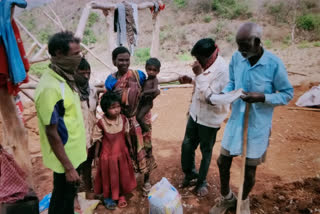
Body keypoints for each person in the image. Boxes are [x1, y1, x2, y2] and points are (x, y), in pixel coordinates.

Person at [209, 22, 294, 214]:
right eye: (239, 47)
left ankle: (243, 200)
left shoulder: (274, 64)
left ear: (257, 42)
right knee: (223, 161)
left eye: (245, 47)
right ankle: (227, 198)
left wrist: (262, 97)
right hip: (235, 122)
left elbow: (287, 94)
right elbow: (232, 82)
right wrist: (224, 94)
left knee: (249, 171)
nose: (240, 51)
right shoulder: (237, 59)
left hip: (257, 126)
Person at [34, 31, 87, 214]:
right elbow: (51, 131)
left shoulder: (64, 77)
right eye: (75, 54)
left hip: (74, 153)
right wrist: (69, 168)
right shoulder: (50, 88)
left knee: (66, 198)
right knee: (61, 201)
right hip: (66, 158)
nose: (79, 58)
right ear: (58, 53)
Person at [179, 38, 229, 197]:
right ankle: (190, 174)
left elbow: (212, 97)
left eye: (199, 59)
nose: (197, 62)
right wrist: (191, 79)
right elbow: (202, 83)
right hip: (195, 114)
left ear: (210, 57)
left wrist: (198, 75)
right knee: (187, 146)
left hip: (210, 119)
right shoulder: (205, 65)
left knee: (206, 151)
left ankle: (202, 182)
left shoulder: (223, 70)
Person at [104, 46, 157, 196]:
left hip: (141, 117)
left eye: (126, 60)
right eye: (120, 60)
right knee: (126, 149)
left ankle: (147, 179)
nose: (124, 63)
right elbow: (109, 102)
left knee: (146, 147)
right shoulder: (110, 80)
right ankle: (129, 178)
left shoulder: (138, 75)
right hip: (122, 121)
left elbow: (151, 88)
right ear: (114, 61)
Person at [92, 91, 137, 210]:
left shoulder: (123, 119)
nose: (116, 110)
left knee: (122, 174)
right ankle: (109, 197)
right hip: (108, 156)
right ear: (105, 109)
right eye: (112, 107)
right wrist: (96, 156)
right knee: (108, 177)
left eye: (118, 106)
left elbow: (127, 134)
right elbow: (98, 140)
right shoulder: (101, 123)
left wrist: (131, 148)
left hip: (122, 153)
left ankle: (121, 194)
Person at [74, 58, 98, 198]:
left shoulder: (93, 90)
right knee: (76, 165)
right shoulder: (71, 92)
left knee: (88, 163)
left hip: (90, 133)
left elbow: (93, 112)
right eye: (82, 73)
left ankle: (88, 188)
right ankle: (76, 192)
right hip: (76, 135)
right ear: (74, 72)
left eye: (88, 73)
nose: (86, 76)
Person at [136, 57, 161, 133]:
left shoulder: (154, 80)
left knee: (139, 117)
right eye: (149, 69)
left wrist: (144, 93)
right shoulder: (147, 79)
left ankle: (146, 129)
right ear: (146, 69)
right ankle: (141, 129)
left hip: (148, 103)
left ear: (158, 71)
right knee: (136, 115)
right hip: (143, 101)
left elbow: (155, 90)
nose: (151, 72)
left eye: (154, 70)